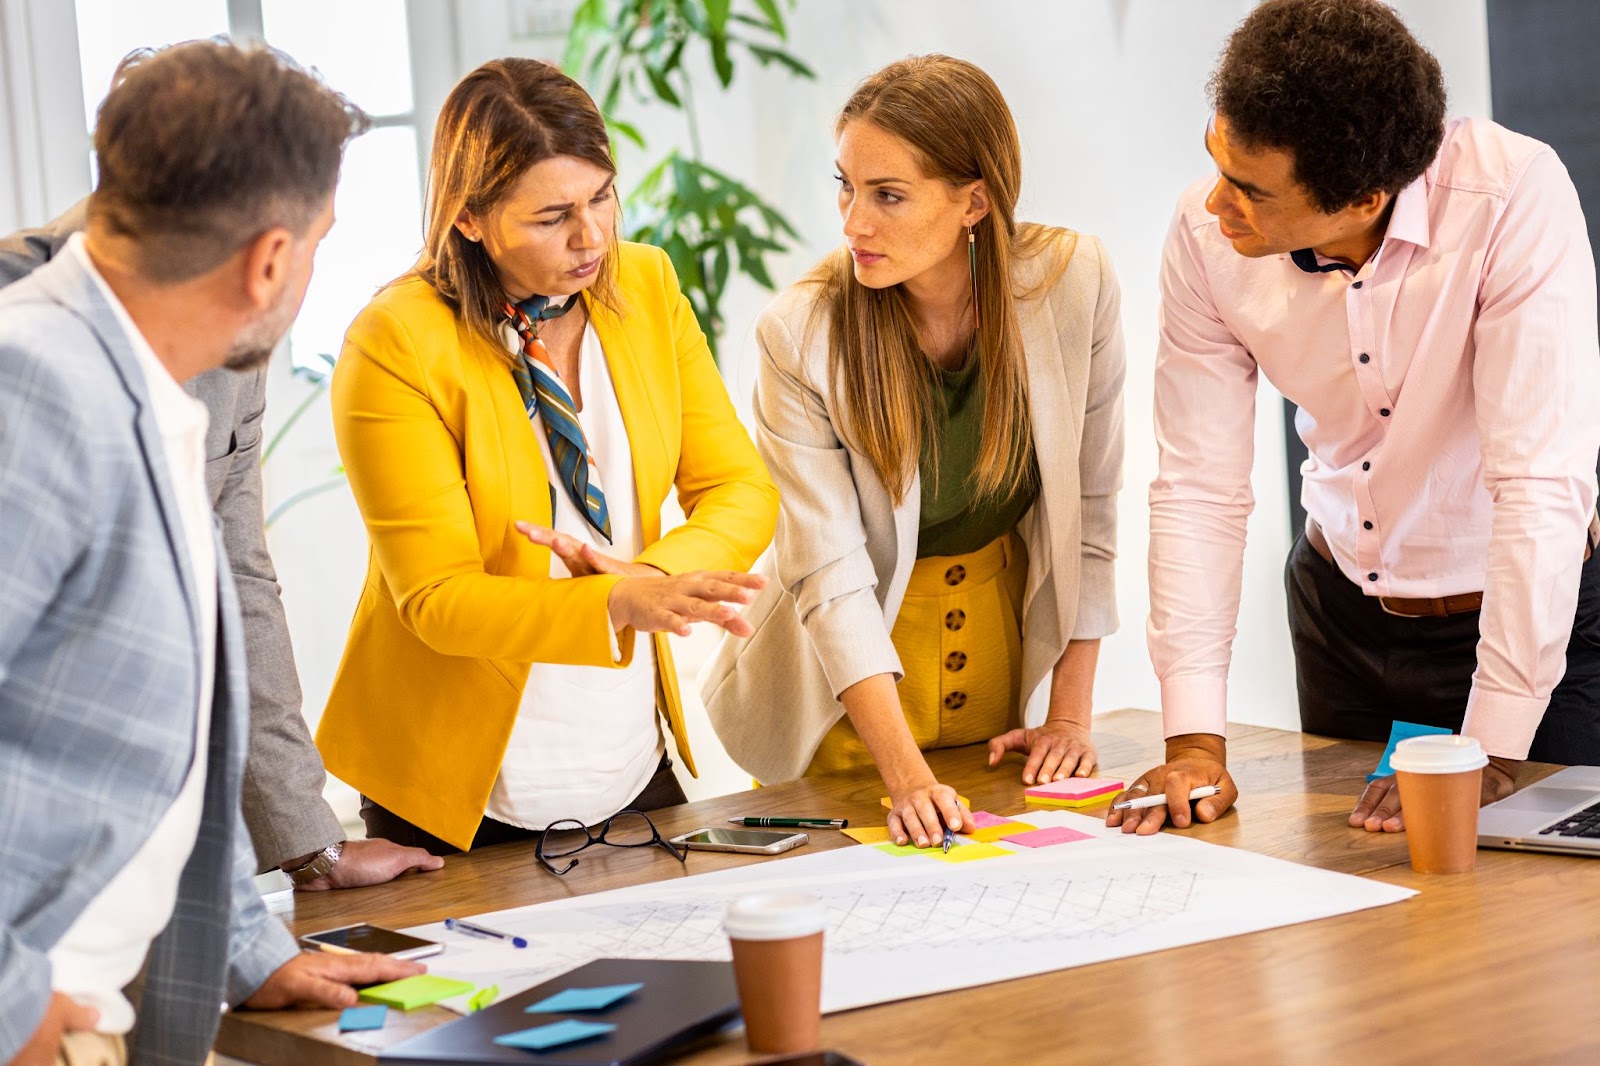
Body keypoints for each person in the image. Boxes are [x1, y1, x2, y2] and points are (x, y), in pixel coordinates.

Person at [0, 41, 421, 1066]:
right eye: (318, 243)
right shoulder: (33, 386)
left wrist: (247, 945)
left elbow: (166, 730)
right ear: (269, 259)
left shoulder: (148, 382)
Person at [1120, 0, 1600, 838]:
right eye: (1217, 162)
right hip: (1341, 621)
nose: (1216, 205)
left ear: (1364, 198)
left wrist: (1489, 747)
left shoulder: (1509, 197)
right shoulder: (1203, 237)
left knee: (1539, 925)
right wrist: (1195, 739)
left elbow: (1537, 485)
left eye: (1252, 192)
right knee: (1354, 917)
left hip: (1529, 628)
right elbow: (1198, 487)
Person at [315, 58, 778, 856]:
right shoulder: (395, 341)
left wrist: (651, 580)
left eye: (601, 196)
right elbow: (435, 597)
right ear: (468, 218)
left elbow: (737, 485)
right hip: (455, 788)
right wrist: (610, 608)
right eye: (552, 215)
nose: (592, 236)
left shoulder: (647, 285)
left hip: (630, 762)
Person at [704, 55, 1127, 849]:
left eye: (887, 195)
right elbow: (829, 576)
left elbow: (1091, 512)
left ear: (974, 202)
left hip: (993, 663)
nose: (852, 222)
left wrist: (1068, 715)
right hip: (839, 689)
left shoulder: (1075, 282)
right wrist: (906, 777)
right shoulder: (800, 333)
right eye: (846, 186)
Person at [0, 207, 441, 896]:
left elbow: (237, 580)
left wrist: (308, 849)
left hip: (151, 892)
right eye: (313, 239)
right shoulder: (20, 333)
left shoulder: (230, 341)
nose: (302, 271)